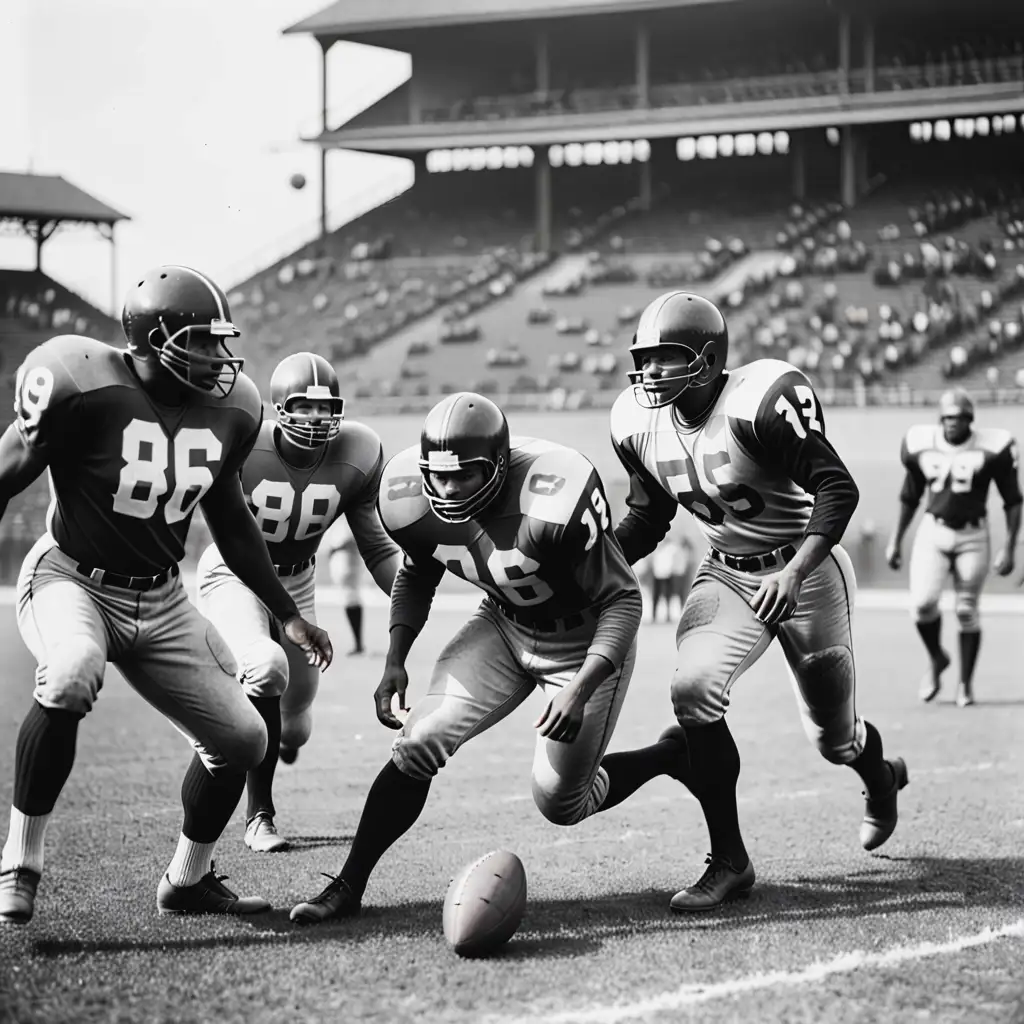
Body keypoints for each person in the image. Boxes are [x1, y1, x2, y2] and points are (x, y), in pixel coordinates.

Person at [0, 266, 333, 926]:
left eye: (220, 341)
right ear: (155, 340)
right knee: (70, 672)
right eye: (202, 342)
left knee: (243, 738)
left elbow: (232, 521)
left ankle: (187, 879)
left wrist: (288, 613)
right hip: (70, 577)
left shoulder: (233, 407)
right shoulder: (78, 381)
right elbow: (5, 473)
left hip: (162, 597)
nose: (218, 357)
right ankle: (19, 861)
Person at [287, 391, 689, 924]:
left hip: (582, 638)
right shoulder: (409, 493)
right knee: (419, 740)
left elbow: (623, 599)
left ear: (497, 466)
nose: (448, 490)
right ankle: (347, 885)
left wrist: (581, 686)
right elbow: (418, 573)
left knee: (562, 803)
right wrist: (395, 656)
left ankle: (668, 756)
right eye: (440, 476)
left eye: (465, 476)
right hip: (502, 625)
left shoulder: (555, 493)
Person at [608, 290, 907, 912]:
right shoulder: (635, 423)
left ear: (711, 358)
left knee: (835, 739)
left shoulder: (761, 400)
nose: (652, 371)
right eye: (647, 358)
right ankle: (730, 860)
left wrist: (796, 571)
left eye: (668, 357)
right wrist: (595, 567)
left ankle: (880, 776)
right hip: (727, 575)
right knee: (693, 690)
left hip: (807, 570)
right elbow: (647, 516)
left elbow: (837, 489)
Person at [196, 352, 400, 854]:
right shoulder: (246, 441)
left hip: (298, 580)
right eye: (303, 407)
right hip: (234, 573)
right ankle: (259, 815)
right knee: (265, 668)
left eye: (325, 407)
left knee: (297, 722)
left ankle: (277, 734)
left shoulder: (358, 452)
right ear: (277, 407)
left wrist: (408, 605)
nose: (315, 418)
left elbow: (374, 546)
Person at [885, 388, 1021, 706]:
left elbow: (1013, 500)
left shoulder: (994, 447)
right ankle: (937, 658)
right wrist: (896, 539)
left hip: (974, 534)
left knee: (966, 610)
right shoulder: (922, 444)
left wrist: (1010, 547)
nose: (952, 424)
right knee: (921, 604)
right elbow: (910, 496)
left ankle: (965, 684)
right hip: (934, 530)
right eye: (947, 418)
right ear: (940, 419)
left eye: (958, 418)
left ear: (970, 421)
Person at [323, 515, 368, 656]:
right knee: (348, 596)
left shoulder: (353, 514)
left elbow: (355, 537)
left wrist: (336, 548)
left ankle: (358, 644)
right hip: (342, 559)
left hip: (348, 559)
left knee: (351, 597)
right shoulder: (342, 517)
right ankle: (358, 644)